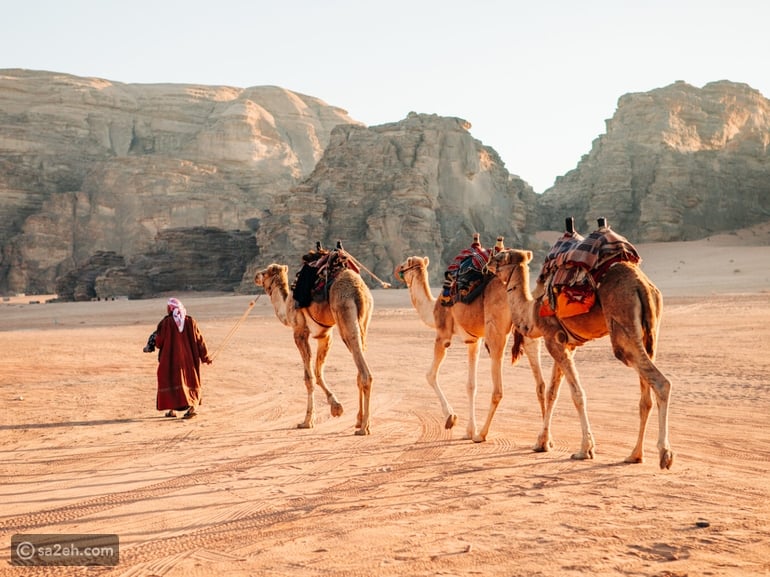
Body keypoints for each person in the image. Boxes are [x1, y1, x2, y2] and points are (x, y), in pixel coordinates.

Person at [152, 297, 212, 419]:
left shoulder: (166, 323)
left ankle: (172, 409)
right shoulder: (191, 322)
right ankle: (192, 407)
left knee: (170, 380)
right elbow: (200, 341)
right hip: (189, 360)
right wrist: (205, 357)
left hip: (170, 360)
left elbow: (159, 342)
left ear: (170, 308)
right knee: (190, 380)